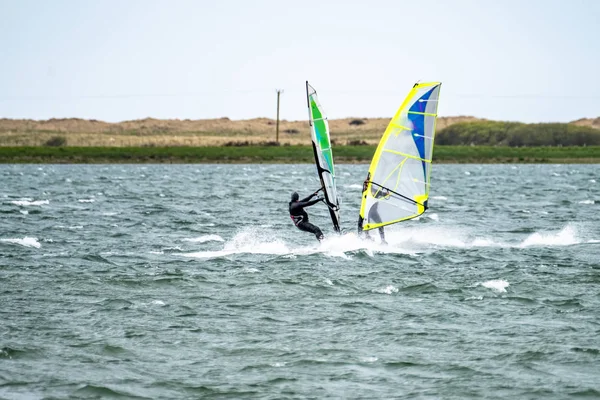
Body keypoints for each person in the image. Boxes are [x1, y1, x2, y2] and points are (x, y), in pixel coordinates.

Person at [357, 173, 387, 244]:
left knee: (380, 224)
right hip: (365, 212)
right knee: (361, 226)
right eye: (365, 183)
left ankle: (383, 240)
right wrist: (366, 183)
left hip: (373, 212)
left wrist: (387, 193)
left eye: (367, 183)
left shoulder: (376, 191)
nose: (366, 184)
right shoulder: (365, 190)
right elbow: (365, 188)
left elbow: (384, 194)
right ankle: (363, 238)